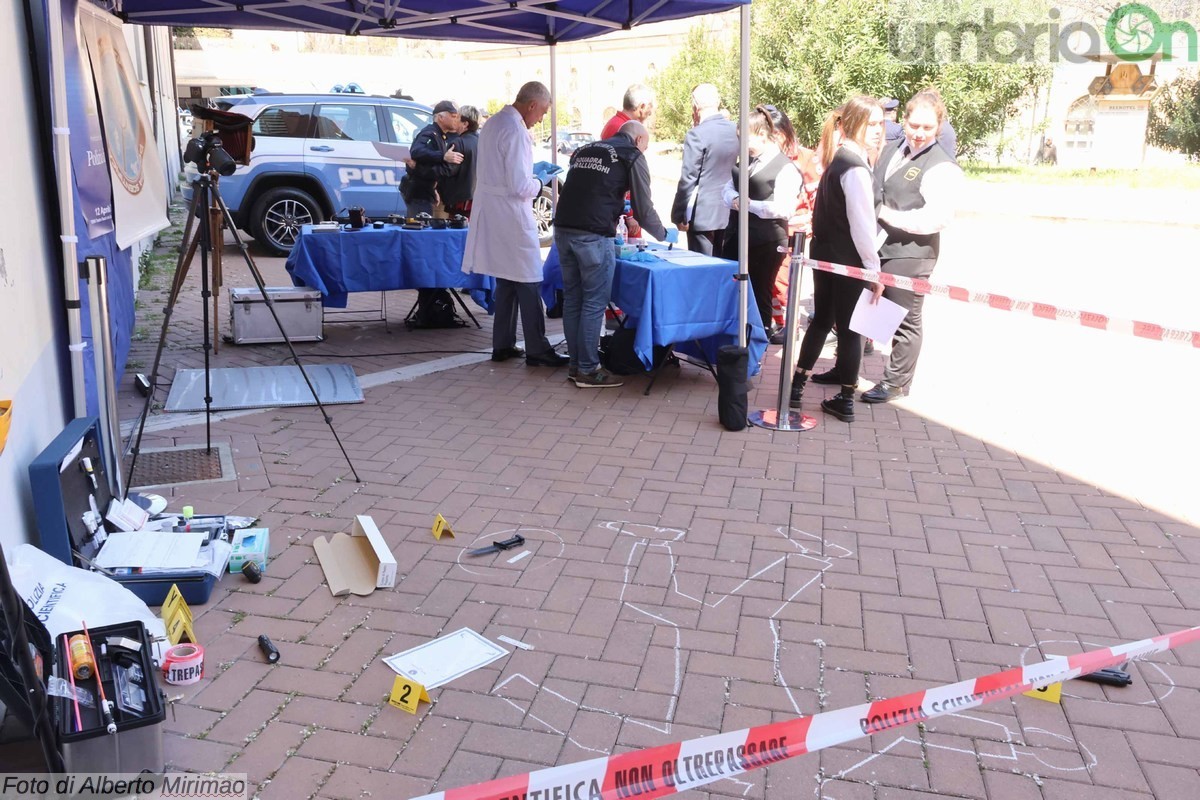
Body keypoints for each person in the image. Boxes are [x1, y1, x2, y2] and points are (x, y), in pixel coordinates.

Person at [861, 88, 964, 404]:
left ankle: (895, 383)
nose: (919, 134)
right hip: (879, 244)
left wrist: (887, 215)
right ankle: (850, 368)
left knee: (905, 318)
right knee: (873, 309)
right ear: (903, 121)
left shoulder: (942, 166)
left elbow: (937, 218)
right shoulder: (891, 148)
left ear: (939, 127)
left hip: (912, 253)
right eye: (914, 125)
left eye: (927, 128)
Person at [789, 96, 886, 423]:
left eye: (880, 125)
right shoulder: (853, 167)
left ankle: (797, 387)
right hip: (846, 260)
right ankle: (845, 396)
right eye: (870, 124)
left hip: (827, 256)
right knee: (849, 328)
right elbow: (862, 225)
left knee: (822, 320)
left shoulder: (839, 160)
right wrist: (874, 269)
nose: (877, 131)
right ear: (853, 125)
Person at [554, 120, 668, 388]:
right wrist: (663, 234)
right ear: (639, 140)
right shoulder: (632, 155)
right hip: (593, 234)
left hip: (563, 229)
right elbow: (643, 208)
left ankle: (575, 365)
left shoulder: (585, 148)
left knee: (573, 299)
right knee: (594, 302)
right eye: (647, 146)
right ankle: (588, 369)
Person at [462, 82, 568, 368]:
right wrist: (540, 180)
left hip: (493, 210)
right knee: (529, 278)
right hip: (510, 212)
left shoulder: (495, 121)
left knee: (506, 278)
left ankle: (503, 343)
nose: (542, 118)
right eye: (543, 112)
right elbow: (521, 186)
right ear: (532, 105)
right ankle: (537, 347)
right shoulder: (516, 130)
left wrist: (530, 177)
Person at [719, 105, 803, 335]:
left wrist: (749, 205)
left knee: (759, 292)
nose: (742, 145)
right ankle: (734, 337)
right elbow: (726, 189)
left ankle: (758, 339)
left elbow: (784, 208)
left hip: (766, 241)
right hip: (738, 235)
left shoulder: (785, 168)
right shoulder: (745, 160)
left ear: (762, 135)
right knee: (733, 289)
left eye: (745, 139)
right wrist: (735, 199)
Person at [670, 84, 738, 256]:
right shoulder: (736, 130)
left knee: (702, 270)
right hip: (731, 211)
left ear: (695, 105)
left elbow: (688, 178)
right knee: (724, 271)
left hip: (704, 214)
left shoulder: (697, 134)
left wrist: (678, 214)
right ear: (718, 101)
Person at [405, 100, 463, 217]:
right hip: (418, 193)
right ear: (440, 117)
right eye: (453, 116)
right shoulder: (430, 133)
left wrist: (433, 189)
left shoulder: (441, 135)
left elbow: (428, 165)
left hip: (425, 191)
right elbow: (416, 151)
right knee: (420, 229)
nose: (456, 120)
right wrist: (443, 156)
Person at [441, 105, 480, 217]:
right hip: (477, 199)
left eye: (457, 118)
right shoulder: (482, 141)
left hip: (460, 202)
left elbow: (448, 171)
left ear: (465, 124)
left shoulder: (458, 143)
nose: (454, 121)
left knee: (457, 233)